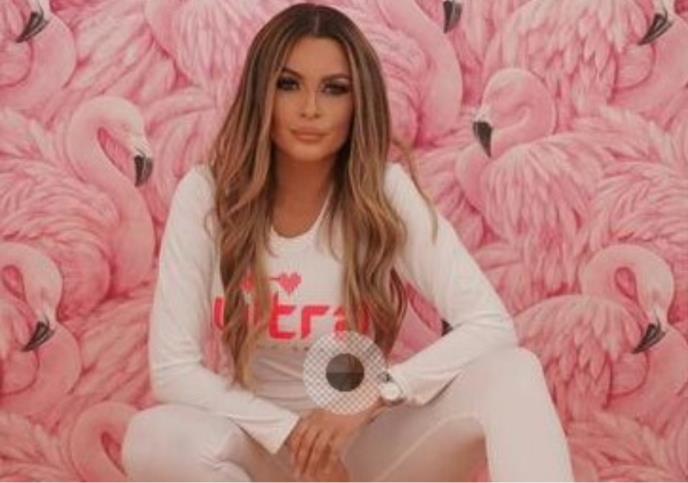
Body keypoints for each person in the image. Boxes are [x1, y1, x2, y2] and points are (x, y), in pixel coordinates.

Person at [121, 3, 574, 481]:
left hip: (371, 448)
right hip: (260, 449)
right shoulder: (208, 195)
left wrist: (377, 394)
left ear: (358, 102)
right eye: (288, 84)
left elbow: (490, 325)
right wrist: (293, 433)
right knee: (153, 438)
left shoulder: (383, 191)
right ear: (261, 93)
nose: (310, 109)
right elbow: (173, 369)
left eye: (334, 89)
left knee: (513, 372)